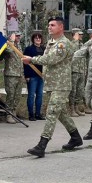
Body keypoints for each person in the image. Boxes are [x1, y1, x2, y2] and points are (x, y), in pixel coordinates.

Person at [23, 17, 83, 157]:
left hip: (61, 85)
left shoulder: (63, 44)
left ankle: (42, 145)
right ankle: (75, 137)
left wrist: (31, 59)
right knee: (61, 114)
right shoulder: (51, 42)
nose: (49, 27)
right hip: (52, 84)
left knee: (51, 113)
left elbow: (50, 59)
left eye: (52, 25)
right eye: (49, 25)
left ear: (61, 27)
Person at [1, 32, 24, 123]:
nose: (18, 37)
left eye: (19, 35)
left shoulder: (19, 46)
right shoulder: (8, 45)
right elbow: (9, 51)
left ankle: (14, 113)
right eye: (16, 35)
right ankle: (8, 114)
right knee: (10, 95)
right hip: (10, 74)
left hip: (19, 74)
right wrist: (11, 41)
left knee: (17, 96)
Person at [24, 31, 45, 120]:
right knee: (31, 95)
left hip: (41, 76)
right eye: (36, 38)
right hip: (32, 76)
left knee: (40, 95)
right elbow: (25, 63)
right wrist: (27, 76)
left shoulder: (44, 49)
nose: (38, 39)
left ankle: (38, 114)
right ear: (33, 39)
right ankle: (31, 114)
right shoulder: (28, 49)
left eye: (39, 38)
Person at [69, 28, 87, 117]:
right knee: (73, 90)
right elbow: (72, 52)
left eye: (81, 34)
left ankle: (76, 107)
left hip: (81, 70)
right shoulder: (71, 44)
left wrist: (85, 69)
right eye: (79, 34)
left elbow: (84, 58)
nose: (81, 36)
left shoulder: (82, 45)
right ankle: (71, 109)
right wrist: (75, 41)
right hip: (74, 70)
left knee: (80, 91)